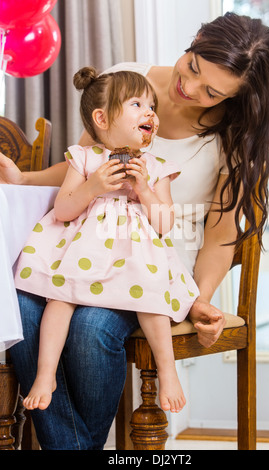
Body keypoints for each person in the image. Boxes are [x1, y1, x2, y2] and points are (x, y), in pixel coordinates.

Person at [0, 12, 269, 450]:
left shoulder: (235, 133)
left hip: (156, 258)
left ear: (235, 97)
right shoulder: (125, 83)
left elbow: (222, 234)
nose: (189, 89)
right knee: (19, 303)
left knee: (91, 329)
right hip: (88, 243)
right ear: (196, 39)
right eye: (191, 66)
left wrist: (197, 300)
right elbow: (86, 163)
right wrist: (25, 180)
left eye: (211, 92)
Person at [14, 67, 199, 413]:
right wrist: (93, 186)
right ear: (102, 118)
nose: (150, 113)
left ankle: (168, 370)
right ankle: (45, 373)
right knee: (59, 298)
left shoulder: (157, 167)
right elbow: (64, 209)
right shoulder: (83, 159)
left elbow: (164, 224)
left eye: (152, 106)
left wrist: (144, 189)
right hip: (82, 253)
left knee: (151, 299)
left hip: (134, 259)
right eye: (137, 104)